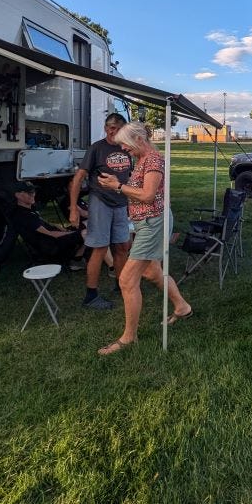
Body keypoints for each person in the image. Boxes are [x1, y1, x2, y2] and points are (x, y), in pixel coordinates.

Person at [95, 121, 192, 355]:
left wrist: (117, 186)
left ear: (138, 140)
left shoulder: (153, 160)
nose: (123, 150)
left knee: (127, 280)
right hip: (147, 221)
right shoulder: (143, 160)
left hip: (152, 222)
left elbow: (148, 195)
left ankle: (129, 337)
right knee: (151, 271)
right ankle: (182, 306)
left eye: (126, 145)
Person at [69, 113, 133, 310]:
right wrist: (73, 208)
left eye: (117, 128)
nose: (113, 132)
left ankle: (120, 286)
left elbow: (130, 176)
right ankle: (91, 295)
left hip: (121, 202)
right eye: (110, 128)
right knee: (100, 248)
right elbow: (79, 178)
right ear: (105, 128)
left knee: (122, 246)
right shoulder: (97, 148)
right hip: (101, 202)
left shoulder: (127, 148)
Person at [12, 181, 86, 269]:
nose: (33, 195)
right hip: (52, 245)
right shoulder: (24, 215)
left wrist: (60, 227)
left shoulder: (29, 210)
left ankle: (83, 252)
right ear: (18, 195)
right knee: (87, 232)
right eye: (29, 193)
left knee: (89, 226)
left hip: (54, 238)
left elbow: (43, 223)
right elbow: (50, 234)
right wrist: (71, 233)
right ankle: (76, 260)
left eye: (33, 192)